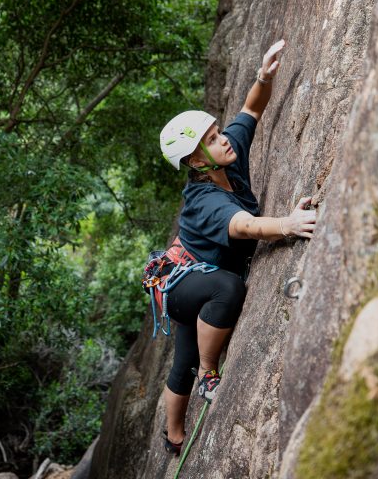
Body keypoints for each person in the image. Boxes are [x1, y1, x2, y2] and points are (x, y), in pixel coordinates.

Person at [157, 39, 317, 455]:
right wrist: (288, 224)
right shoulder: (203, 200)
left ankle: (172, 435)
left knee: (182, 359)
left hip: (195, 274)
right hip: (184, 284)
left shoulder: (226, 156)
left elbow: (251, 110)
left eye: (216, 133)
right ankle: (208, 376)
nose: (223, 139)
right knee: (226, 290)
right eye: (212, 140)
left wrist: (263, 76)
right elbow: (244, 226)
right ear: (197, 162)